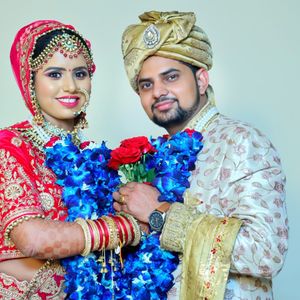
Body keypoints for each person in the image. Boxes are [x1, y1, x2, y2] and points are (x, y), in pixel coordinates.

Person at [113, 11, 288, 299]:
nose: (158, 91)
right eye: (146, 85)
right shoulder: (149, 158)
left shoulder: (242, 141)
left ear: (202, 79)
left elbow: (266, 253)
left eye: (171, 77)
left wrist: (160, 214)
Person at [0, 20, 141, 299]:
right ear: (30, 81)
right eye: (54, 74)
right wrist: (130, 227)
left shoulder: (95, 159)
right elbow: (33, 239)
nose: (71, 86)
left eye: (80, 73)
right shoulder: (11, 146)